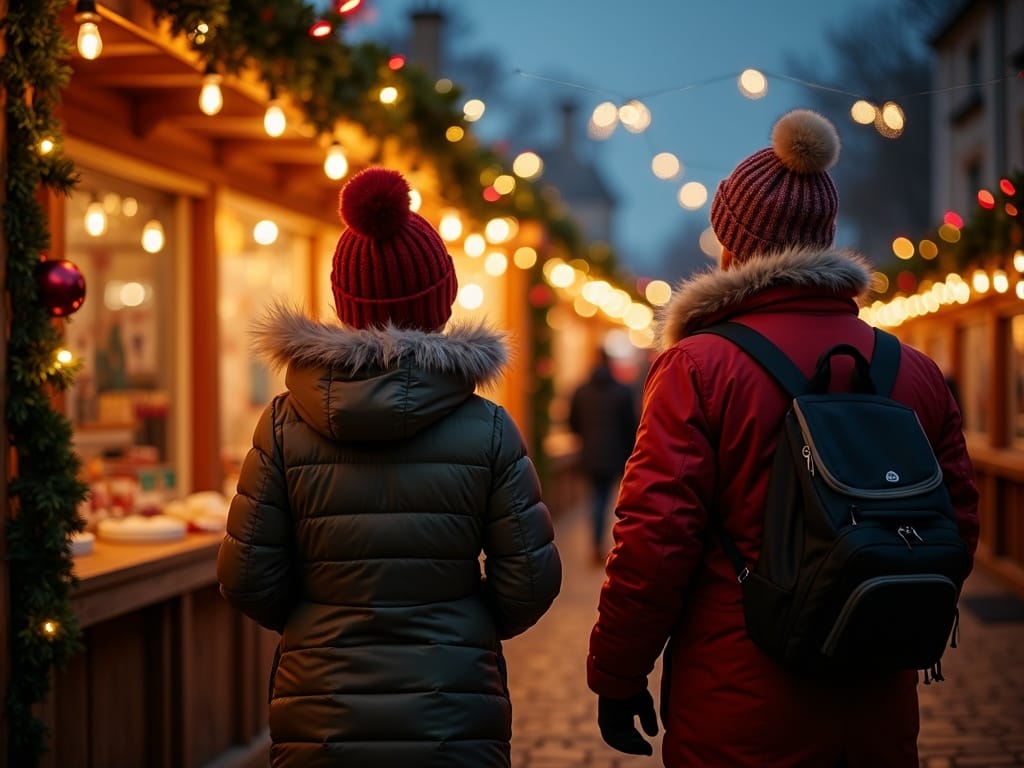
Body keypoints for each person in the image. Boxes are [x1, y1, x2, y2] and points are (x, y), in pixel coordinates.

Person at [586, 109, 980, 767]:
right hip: (875, 703)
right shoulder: (912, 371)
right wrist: (877, 605)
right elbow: (958, 523)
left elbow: (655, 538)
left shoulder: (698, 368)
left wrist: (617, 674)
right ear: (824, 240)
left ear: (734, 243)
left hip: (737, 706)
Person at [217, 167, 562, 768]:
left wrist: (317, 616)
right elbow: (530, 581)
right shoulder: (488, 428)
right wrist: (461, 625)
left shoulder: (282, 423)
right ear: (442, 298)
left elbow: (247, 574)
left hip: (320, 713)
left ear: (344, 304)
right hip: (453, 714)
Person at [568, 347, 638, 565]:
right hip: (615, 456)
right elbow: (631, 426)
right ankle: (612, 544)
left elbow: (573, 422)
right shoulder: (622, 392)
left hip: (589, 455)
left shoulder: (581, 391)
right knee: (608, 499)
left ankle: (596, 544)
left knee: (595, 499)